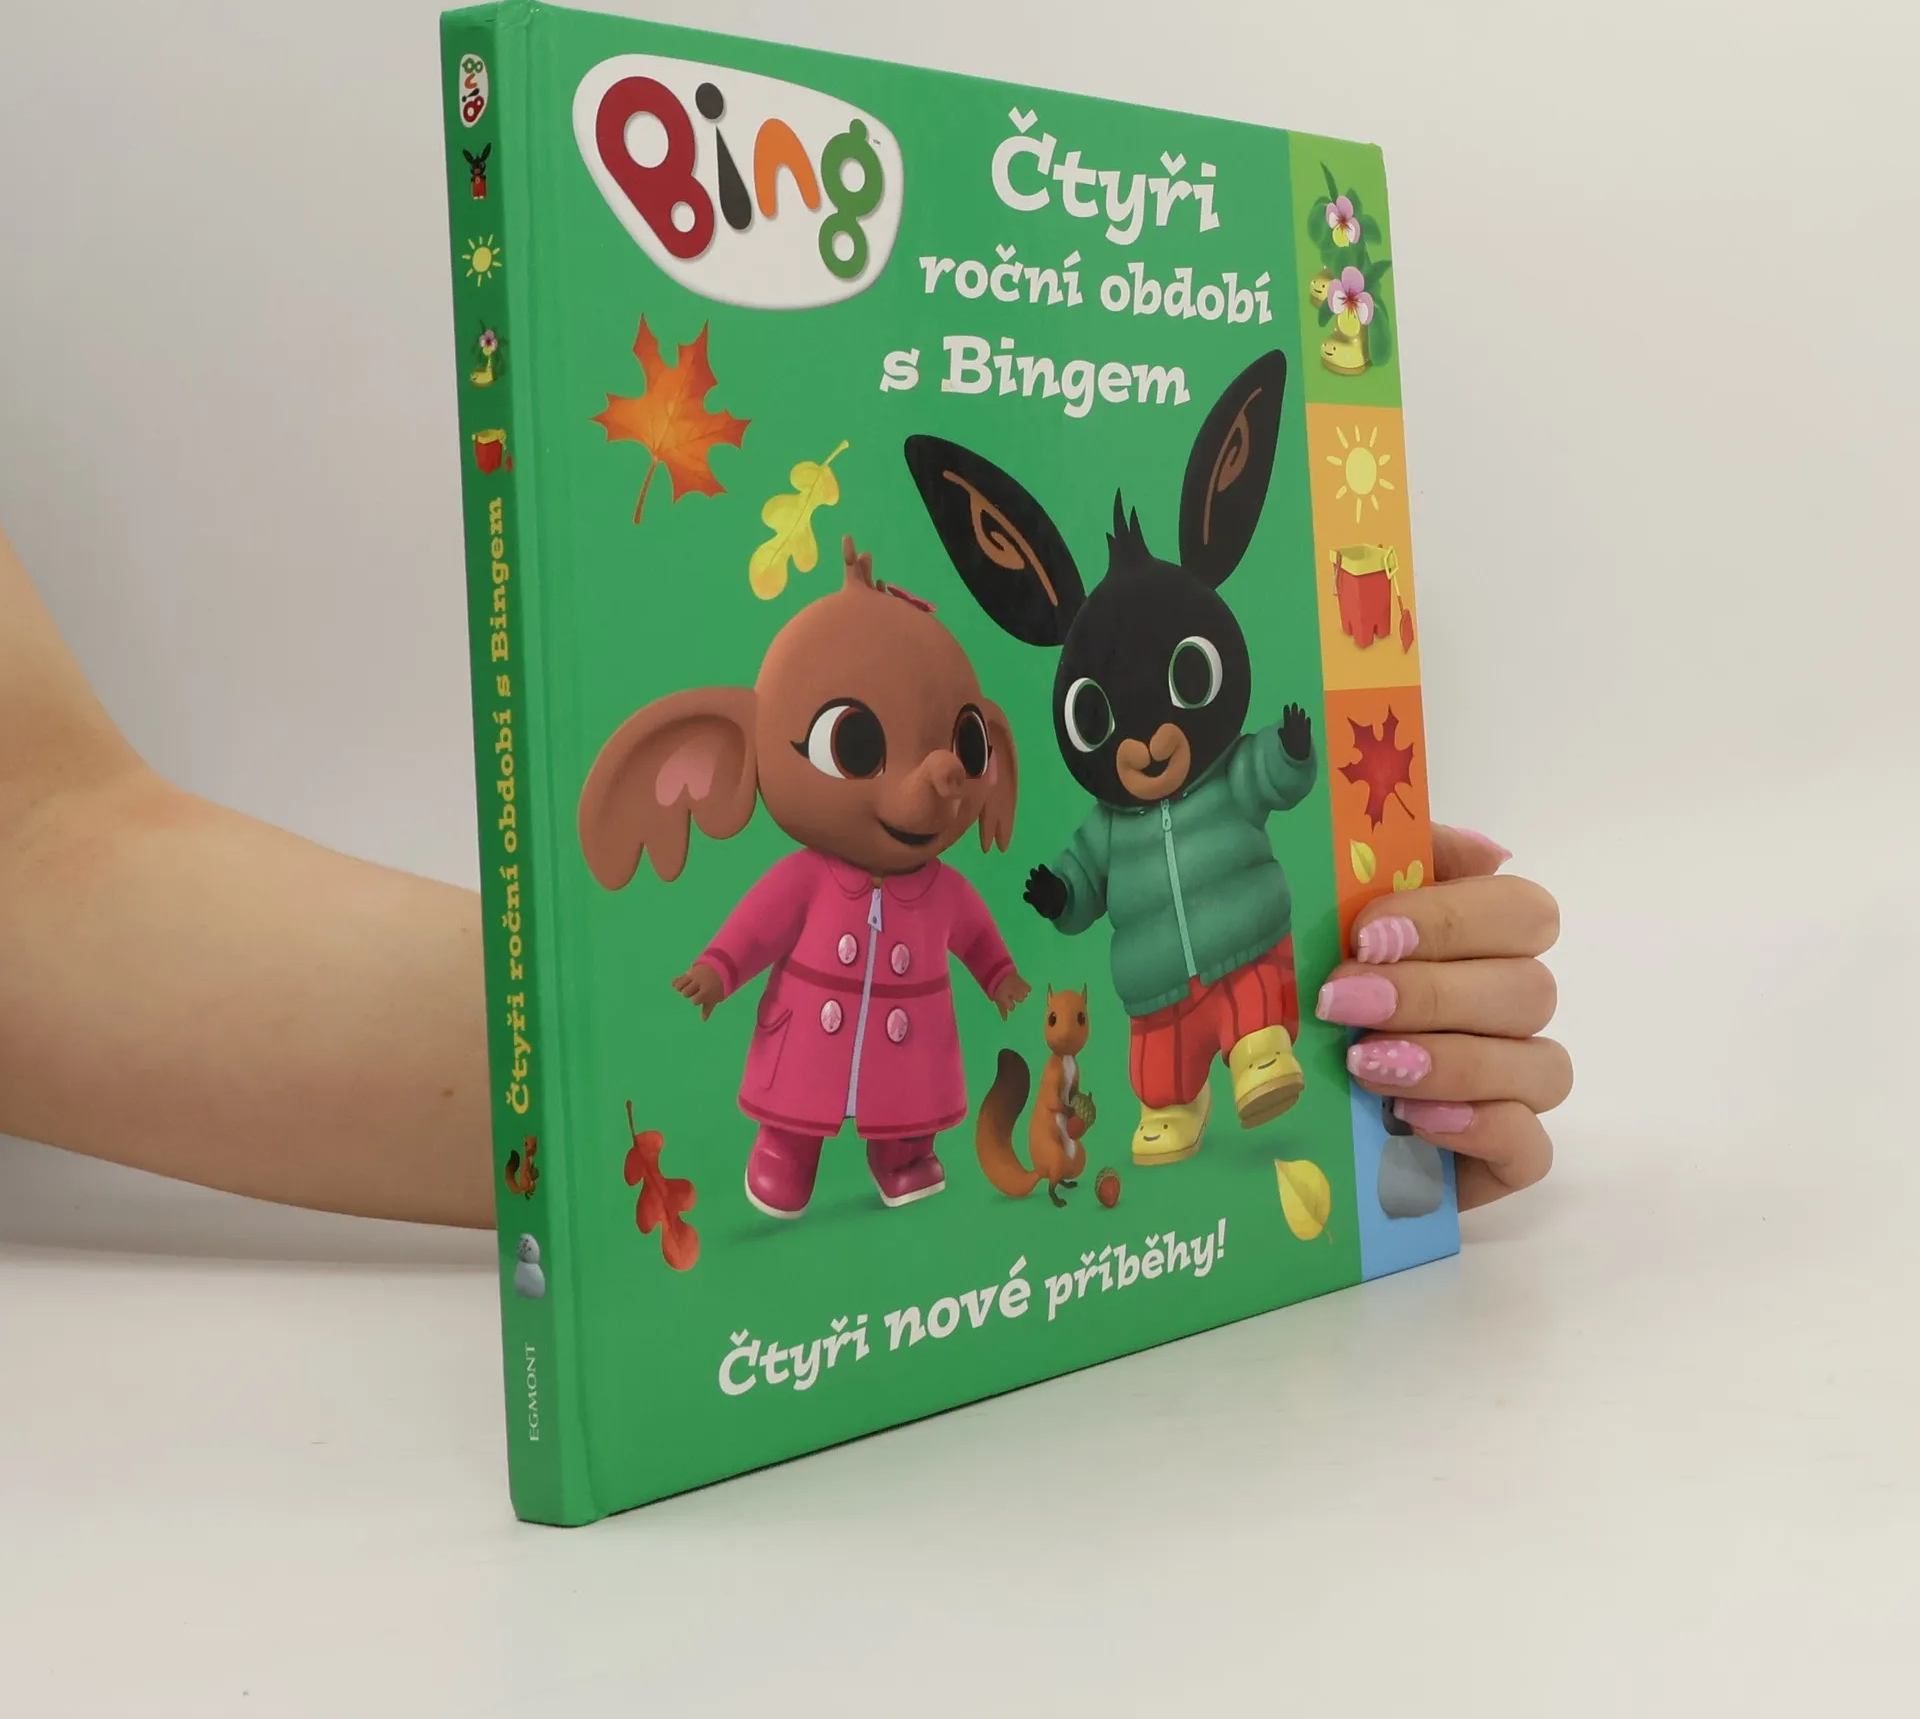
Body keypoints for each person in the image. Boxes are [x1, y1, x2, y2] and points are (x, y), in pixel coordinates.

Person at [0, 524, 1567, 1228]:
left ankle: (920, 1161)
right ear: (715, 765)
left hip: (1020, 1039)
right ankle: (803, 1167)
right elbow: (44, 849)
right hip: (844, 1034)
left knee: (958, 1114)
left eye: (961, 741)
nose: (934, 777)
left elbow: (43, 853)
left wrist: (1337, 920)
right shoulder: (819, 877)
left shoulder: (963, 865)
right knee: (826, 1123)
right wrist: (711, 979)